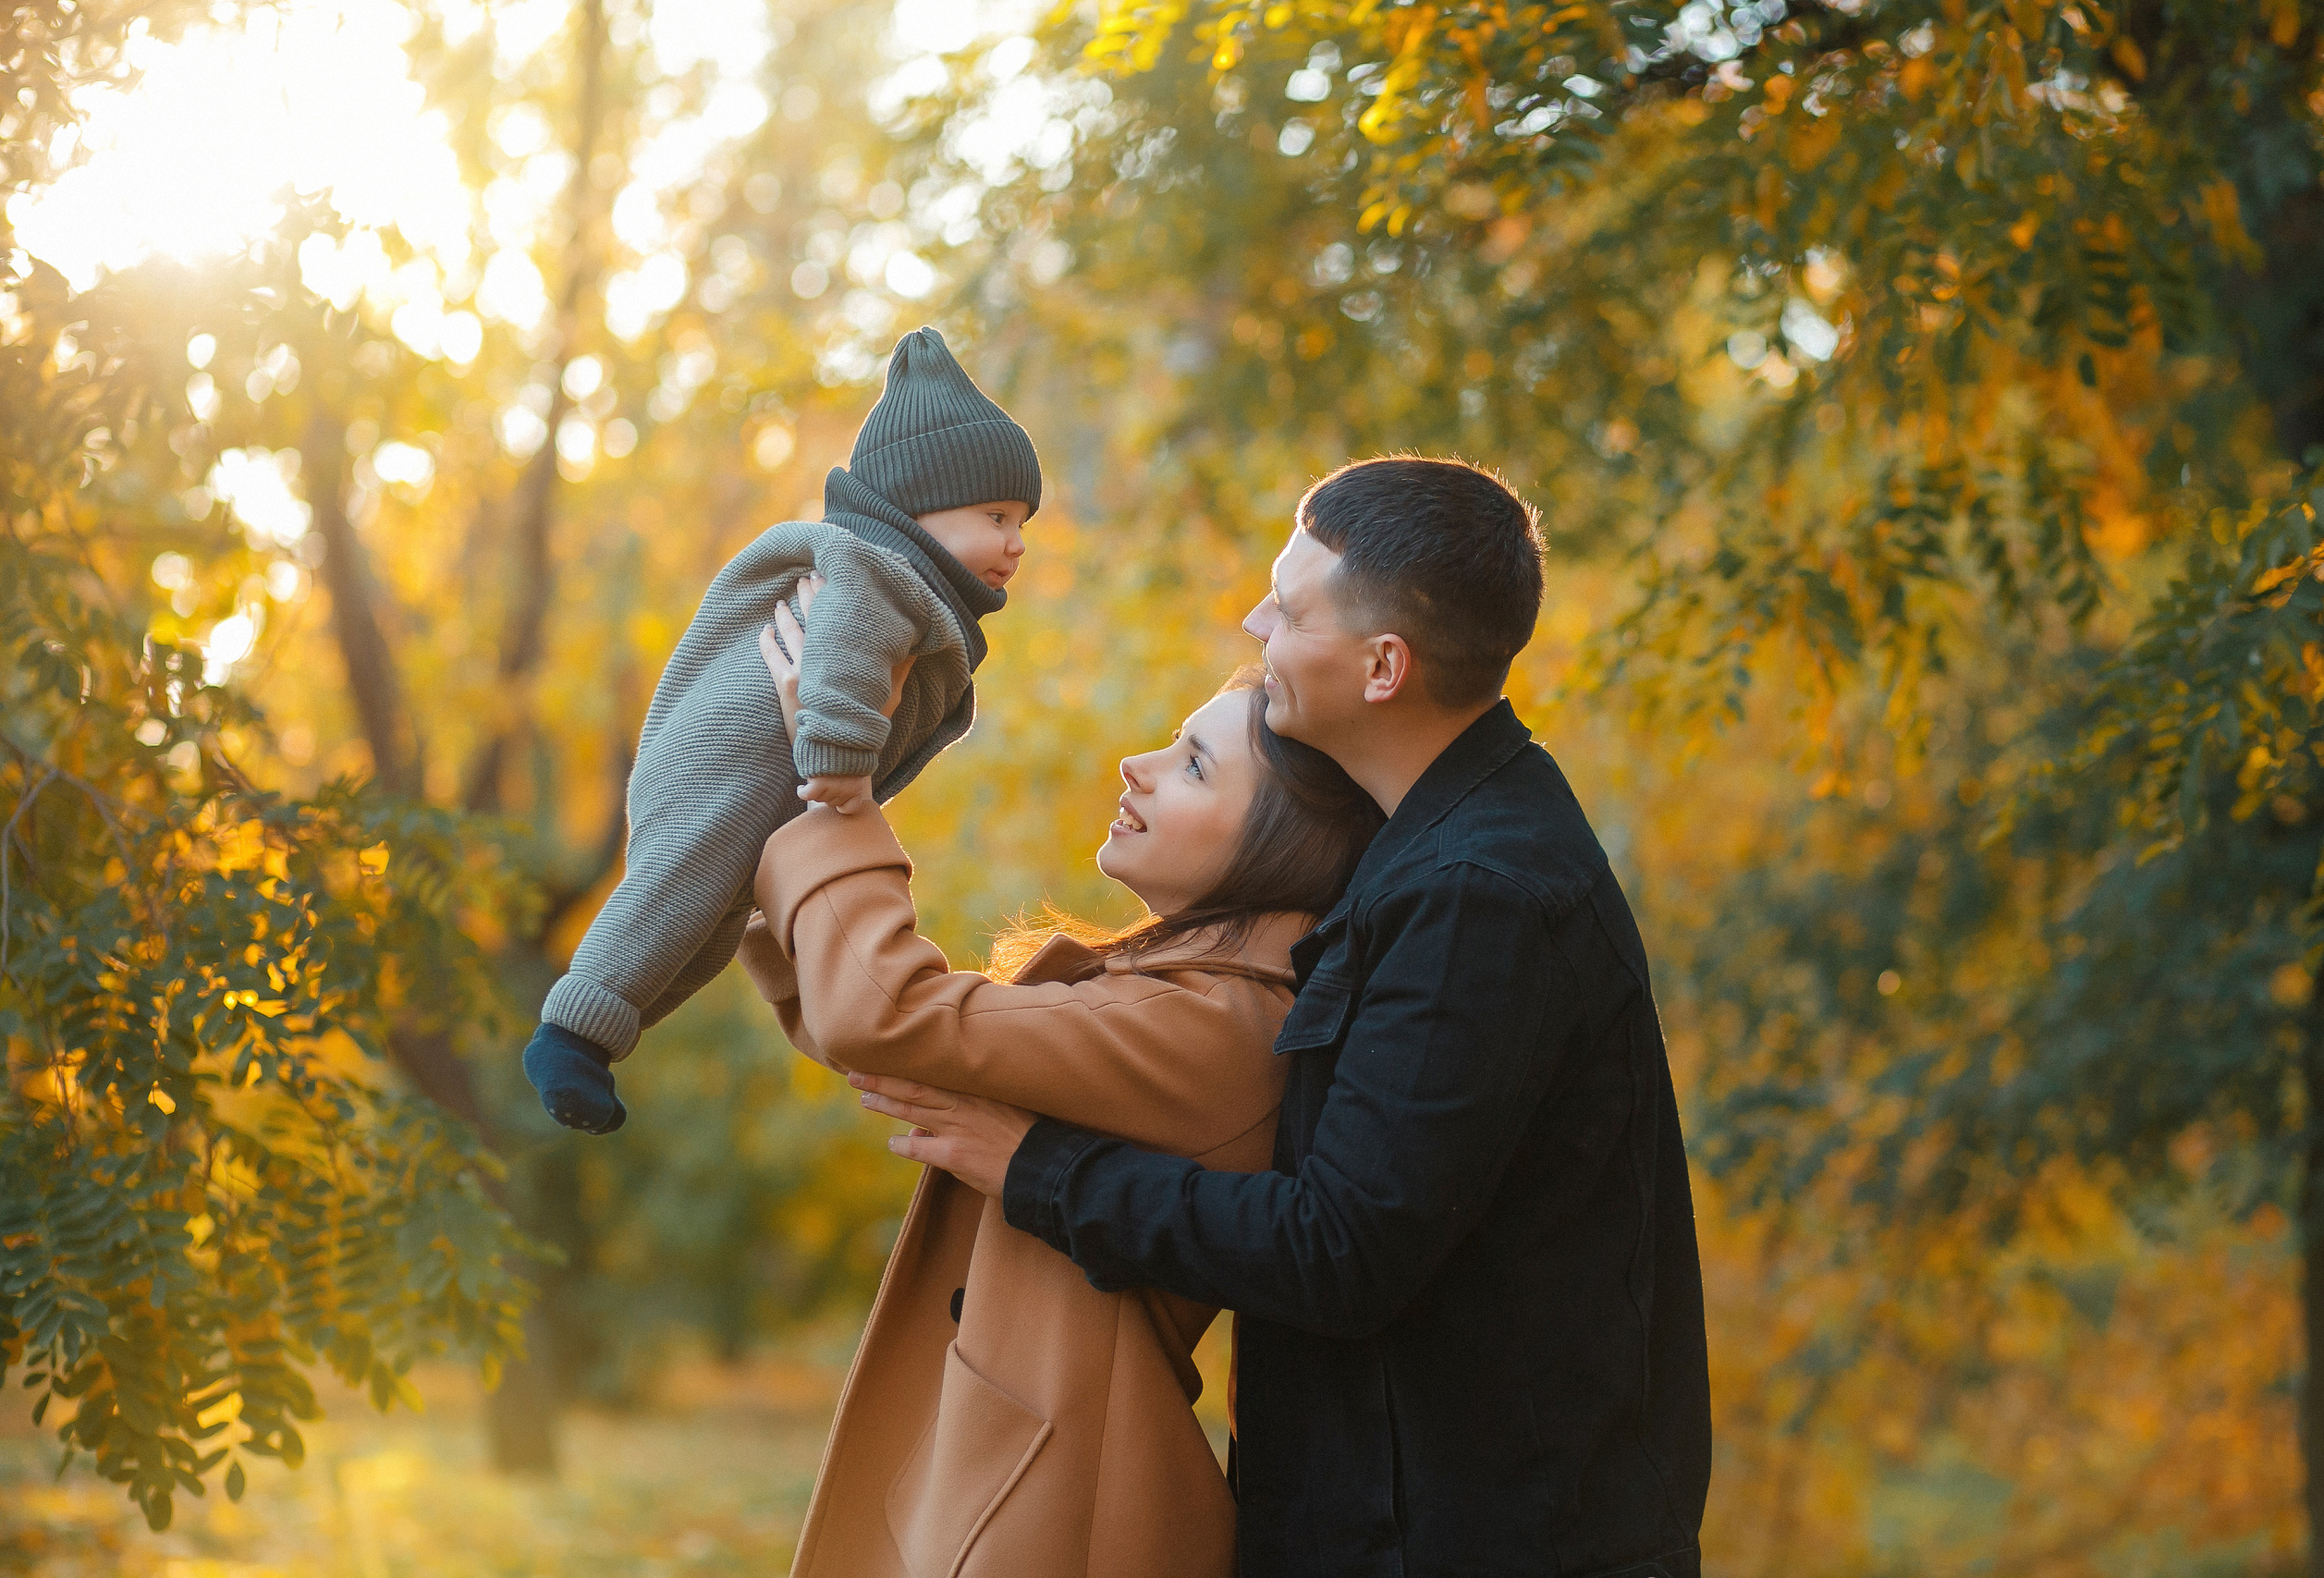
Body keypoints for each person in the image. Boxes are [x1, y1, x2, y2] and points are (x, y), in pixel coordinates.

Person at [857, 457, 1714, 1578]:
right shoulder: (1427, 856)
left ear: (1383, 667)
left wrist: (1042, 1172)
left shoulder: (1479, 897)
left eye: (1291, 608)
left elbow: (1340, 1251)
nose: (1257, 623)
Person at [739, 591, 1384, 1578]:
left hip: (1055, 1510)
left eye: (1194, 765)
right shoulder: (1189, 995)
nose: (1137, 765)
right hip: (1021, 1473)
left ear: (1279, 844)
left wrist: (839, 794)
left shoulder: (1217, 1024)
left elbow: (886, 1012)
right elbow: (895, 1038)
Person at [523, 325, 1040, 1133]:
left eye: (1024, 523)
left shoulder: (911, 591)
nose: (1016, 542)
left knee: (708, 926)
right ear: (917, 507)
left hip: (759, 780)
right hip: (731, 755)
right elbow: (845, 651)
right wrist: (838, 759)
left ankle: (608, 1039)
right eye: (997, 514)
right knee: (678, 886)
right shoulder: (877, 570)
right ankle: (570, 1031)